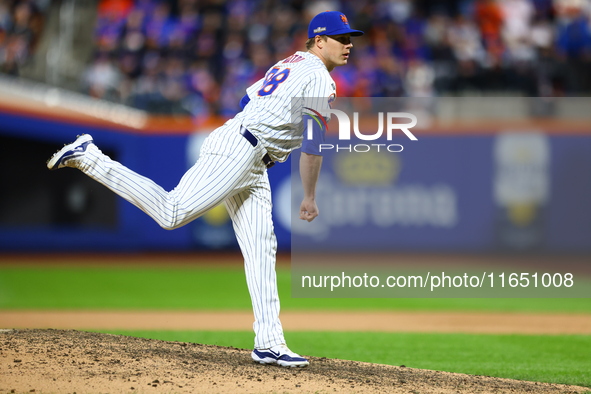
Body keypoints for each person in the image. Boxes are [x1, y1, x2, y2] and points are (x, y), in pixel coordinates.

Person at [47, 11, 363, 368]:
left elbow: (248, 102)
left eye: (351, 38)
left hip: (252, 154)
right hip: (242, 149)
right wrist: (308, 196)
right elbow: (313, 144)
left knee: (261, 249)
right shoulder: (319, 76)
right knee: (171, 213)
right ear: (319, 41)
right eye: (342, 38)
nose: (349, 45)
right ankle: (90, 157)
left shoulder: (291, 63)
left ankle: (270, 343)